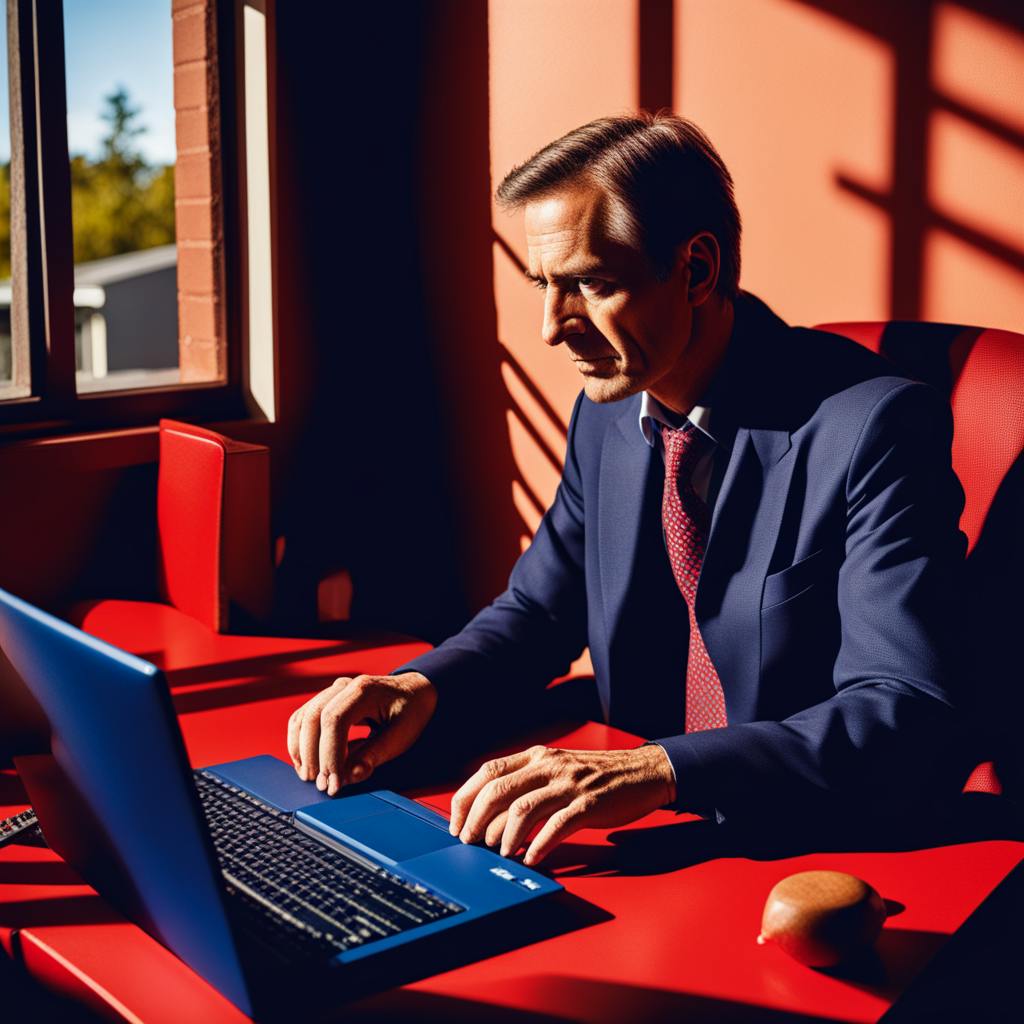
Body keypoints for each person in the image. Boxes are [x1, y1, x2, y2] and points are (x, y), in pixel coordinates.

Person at [286, 112, 967, 867]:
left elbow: (906, 709)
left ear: (698, 270)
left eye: (591, 284)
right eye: (544, 284)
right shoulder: (606, 413)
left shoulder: (873, 425)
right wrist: (420, 686)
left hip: (805, 851)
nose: (552, 327)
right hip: (625, 845)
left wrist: (661, 769)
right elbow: (540, 610)